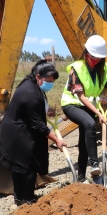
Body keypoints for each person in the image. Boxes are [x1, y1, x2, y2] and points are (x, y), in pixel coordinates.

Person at [0, 60, 66, 206]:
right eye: (48, 80)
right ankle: (27, 199)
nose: (51, 83)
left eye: (53, 81)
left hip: (13, 128)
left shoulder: (29, 84)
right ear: (38, 77)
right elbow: (39, 126)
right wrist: (57, 140)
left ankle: (19, 198)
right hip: (18, 132)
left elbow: (29, 111)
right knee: (29, 165)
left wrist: (46, 111)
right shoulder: (31, 94)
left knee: (18, 165)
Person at [61, 35, 107, 182]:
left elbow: (104, 88)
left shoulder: (104, 68)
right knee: (90, 124)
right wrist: (98, 113)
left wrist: (103, 97)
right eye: (92, 56)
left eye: (99, 58)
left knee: (84, 143)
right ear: (86, 52)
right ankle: (95, 163)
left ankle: (81, 178)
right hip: (72, 104)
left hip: (88, 106)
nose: (95, 60)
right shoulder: (76, 68)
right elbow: (81, 96)